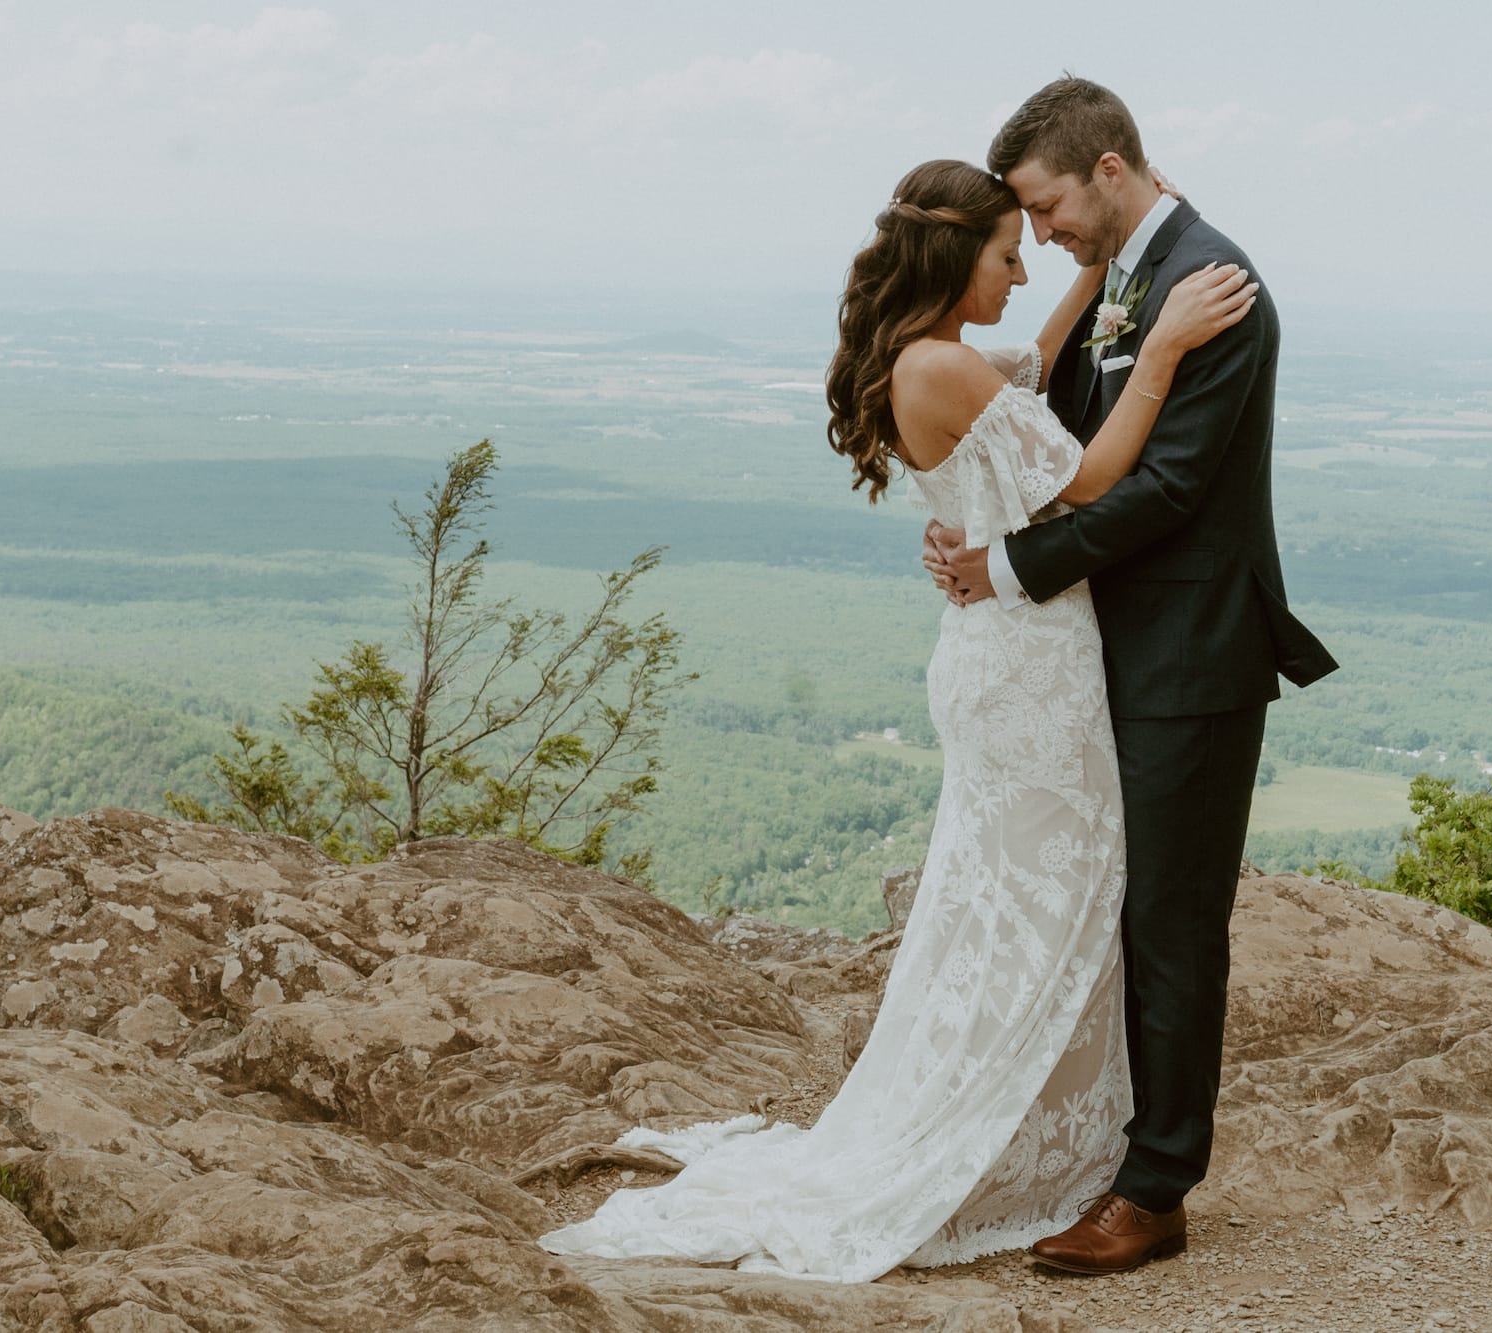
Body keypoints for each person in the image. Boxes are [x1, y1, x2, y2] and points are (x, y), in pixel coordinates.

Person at [536, 149, 1259, 1283]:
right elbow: (1098, 477)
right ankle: (996, 1141)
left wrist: (1105, 271)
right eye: (1007, 254)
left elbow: (1044, 353)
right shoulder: (947, 373)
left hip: (1002, 658)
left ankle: (1039, 1136)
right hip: (1027, 672)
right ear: (956, 255)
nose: (1023, 271)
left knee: (1014, 907)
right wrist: (1159, 348)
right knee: (1034, 911)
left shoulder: (932, 358)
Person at [922, 78, 1338, 1275]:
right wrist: (970, 513)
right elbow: (1053, 439)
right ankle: (1094, 1145)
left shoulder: (1214, 287)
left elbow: (1166, 491)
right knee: (1100, 903)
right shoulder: (1114, 281)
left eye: (1046, 209)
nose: (1039, 234)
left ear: (1108, 168)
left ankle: (1155, 1189)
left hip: (1188, 657)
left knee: (1166, 920)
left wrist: (1002, 566)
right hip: (1095, 648)